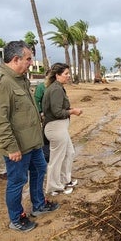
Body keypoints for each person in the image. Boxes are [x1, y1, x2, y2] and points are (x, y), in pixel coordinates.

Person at [0, 40, 59, 232]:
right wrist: (11, 147)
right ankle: (16, 219)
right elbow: (1, 120)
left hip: (33, 142)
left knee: (40, 169)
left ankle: (39, 205)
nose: (31, 63)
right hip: (18, 146)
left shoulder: (21, 78)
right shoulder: (4, 82)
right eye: (28, 59)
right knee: (17, 181)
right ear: (16, 59)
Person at [42, 63, 82, 196]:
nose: (68, 76)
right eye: (66, 74)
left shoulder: (57, 88)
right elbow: (57, 112)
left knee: (69, 153)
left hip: (59, 127)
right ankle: (54, 187)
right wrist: (73, 111)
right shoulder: (56, 89)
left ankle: (65, 180)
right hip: (55, 127)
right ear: (58, 75)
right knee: (56, 159)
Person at [34, 71, 50, 162]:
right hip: (45, 115)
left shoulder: (55, 86)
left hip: (54, 116)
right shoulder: (41, 87)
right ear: (46, 76)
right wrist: (40, 112)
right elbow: (36, 100)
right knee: (45, 134)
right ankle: (46, 155)